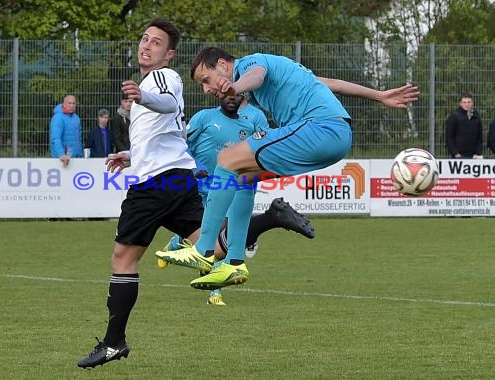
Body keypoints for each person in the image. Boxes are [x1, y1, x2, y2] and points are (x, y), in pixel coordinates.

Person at [156, 47, 420, 291]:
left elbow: (256, 75)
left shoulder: (252, 63)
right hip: (335, 137)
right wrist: (379, 95)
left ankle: (202, 250)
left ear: (223, 64)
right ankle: (234, 263)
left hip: (319, 128)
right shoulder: (286, 70)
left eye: (206, 79)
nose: (206, 89)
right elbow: (331, 85)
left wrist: (234, 86)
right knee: (245, 176)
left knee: (227, 158)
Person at [76, 18, 203, 369]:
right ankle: (272, 217)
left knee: (123, 258)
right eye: (144, 39)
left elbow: (163, 103)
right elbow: (169, 130)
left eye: (156, 42)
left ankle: (115, 342)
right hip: (176, 177)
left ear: (169, 54)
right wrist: (130, 155)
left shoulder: (162, 79)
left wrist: (142, 94)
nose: (146, 45)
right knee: (215, 244)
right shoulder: (155, 84)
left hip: (154, 185)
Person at [161, 94, 315, 306]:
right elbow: (182, 145)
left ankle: (209, 282)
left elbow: (264, 149)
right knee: (214, 240)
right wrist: (196, 167)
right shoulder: (204, 117)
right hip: (205, 188)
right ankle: (188, 251)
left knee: (222, 236)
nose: (231, 95)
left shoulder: (255, 118)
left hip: (237, 187)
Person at [445, 92, 483, 159]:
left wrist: (478, 153)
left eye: (469, 102)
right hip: (459, 156)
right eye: (464, 102)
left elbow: (480, 137)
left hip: (474, 156)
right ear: (460, 103)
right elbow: (449, 137)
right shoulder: (454, 116)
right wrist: (455, 153)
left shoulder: (476, 116)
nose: (467, 104)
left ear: (472, 103)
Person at [49, 94, 83, 166]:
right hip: (61, 159)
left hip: (75, 158)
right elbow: (55, 138)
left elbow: (79, 138)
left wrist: (80, 154)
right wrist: (61, 154)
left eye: (73, 103)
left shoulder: (76, 118)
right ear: (64, 104)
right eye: (69, 103)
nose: (72, 105)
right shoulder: (58, 118)